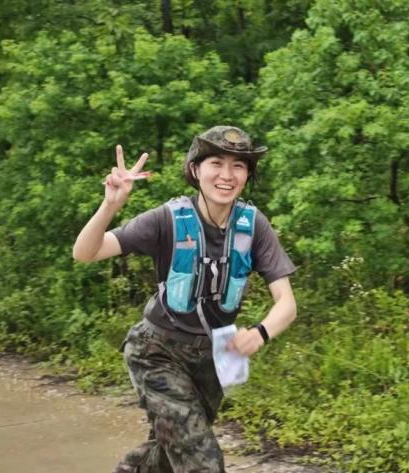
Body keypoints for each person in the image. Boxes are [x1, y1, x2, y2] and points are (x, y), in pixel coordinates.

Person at [73, 126, 297, 473]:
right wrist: (110, 205)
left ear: (247, 175)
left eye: (238, 166)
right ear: (195, 169)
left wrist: (259, 332)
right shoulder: (167, 219)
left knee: (170, 450)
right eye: (216, 163)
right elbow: (85, 252)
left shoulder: (253, 226)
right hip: (156, 352)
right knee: (200, 459)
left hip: (212, 358)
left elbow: (287, 303)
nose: (227, 175)